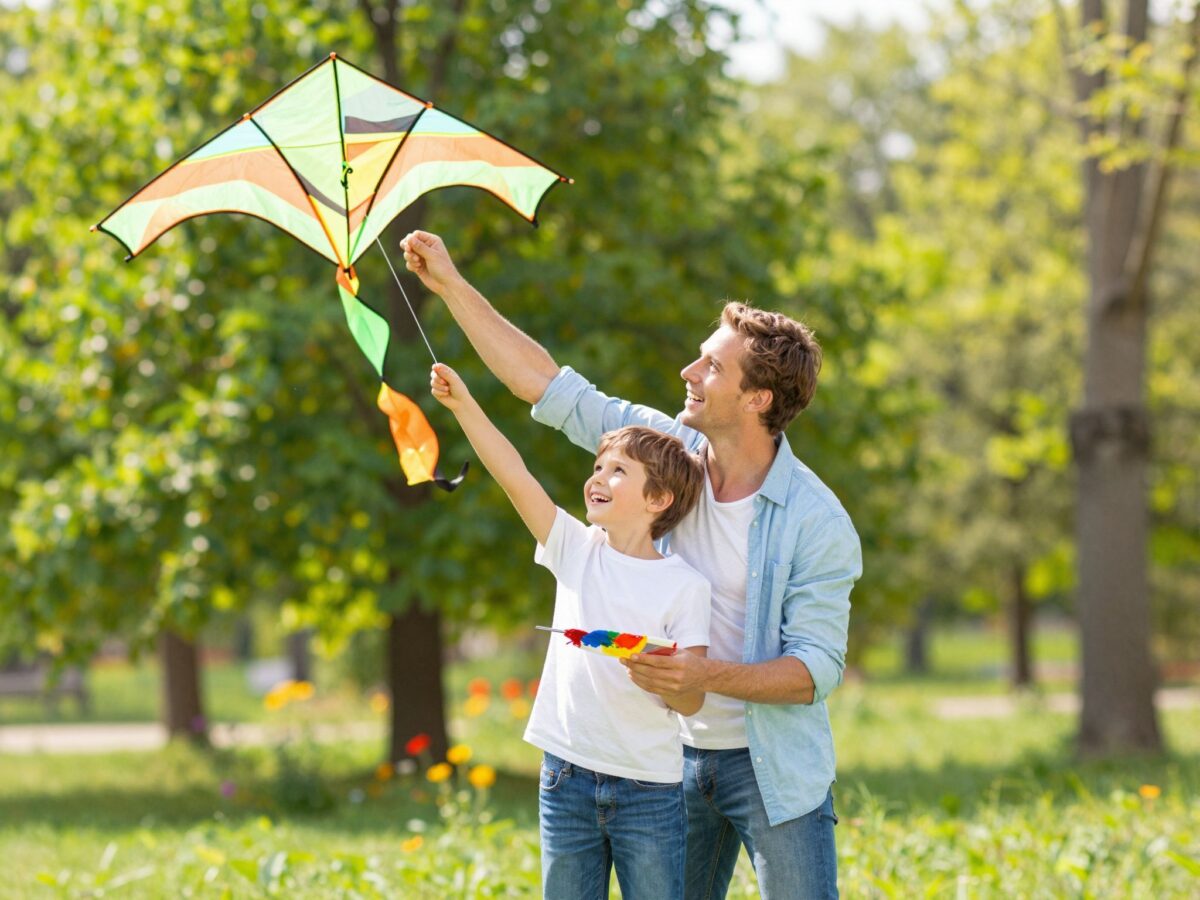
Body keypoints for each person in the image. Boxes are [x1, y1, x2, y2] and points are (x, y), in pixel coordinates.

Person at [405, 229, 862, 900]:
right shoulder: (663, 453)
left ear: (758, 399)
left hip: (770, 767)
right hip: (662, 760)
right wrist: (449, 285)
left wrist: (703, 673)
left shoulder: (816, 521)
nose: (688, 373)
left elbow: (816, 669)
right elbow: (549, 386)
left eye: (710, 367)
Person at [428, 361, 711, 900]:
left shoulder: (686, 587)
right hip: (565, 779)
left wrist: (667, 677)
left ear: (659, 500)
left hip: (649, 790)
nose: (598, 478)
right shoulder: (575, 549)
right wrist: (462, 404)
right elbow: (514, 474)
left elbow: (693, 700)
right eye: (598, 466)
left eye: (618, 471)